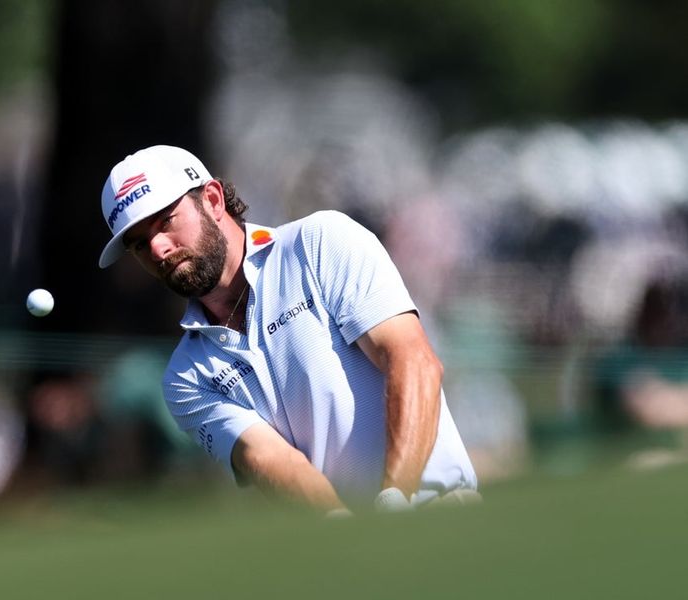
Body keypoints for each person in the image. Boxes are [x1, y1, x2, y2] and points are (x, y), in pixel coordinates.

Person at [98, 145, 478, 514]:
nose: (158, 249)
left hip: (440, 517)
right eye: (139, 244)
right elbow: (268, 459)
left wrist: (395, 499)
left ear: (213, 200)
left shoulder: (320, 244)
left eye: (166, 221)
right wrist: (349, 533)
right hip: (352, 554)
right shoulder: (185, 376)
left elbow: (413, 362)